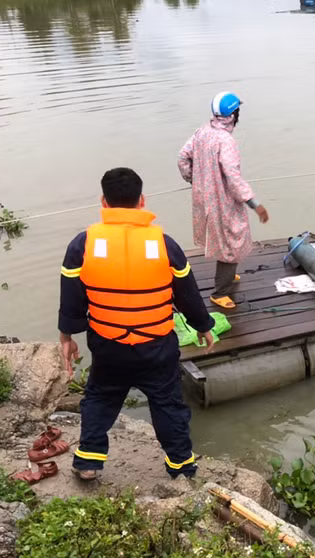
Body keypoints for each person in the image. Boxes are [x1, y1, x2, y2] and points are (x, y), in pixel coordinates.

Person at [58, 168, 216, 481]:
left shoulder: (83, 243)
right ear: (142, 201)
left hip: (108, 342)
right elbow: (187, 295)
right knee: (168, 401)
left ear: (104, 202)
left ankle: (89, 460)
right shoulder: (164, 244)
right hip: (156, 344)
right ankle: (181, 465)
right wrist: (203, 325)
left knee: (101, 396)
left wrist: (67, 336)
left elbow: (71, 297)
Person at [178, 91, 270, 310]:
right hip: (224, 202)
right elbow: (232, 175)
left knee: (226, 239)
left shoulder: (202, 132)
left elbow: (182, 157)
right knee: (231, 242)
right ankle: (220, 292)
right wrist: (254, 204)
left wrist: (195, 180)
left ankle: (229, 277)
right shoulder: (226, 141)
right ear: (233, 114)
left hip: (204, 199)